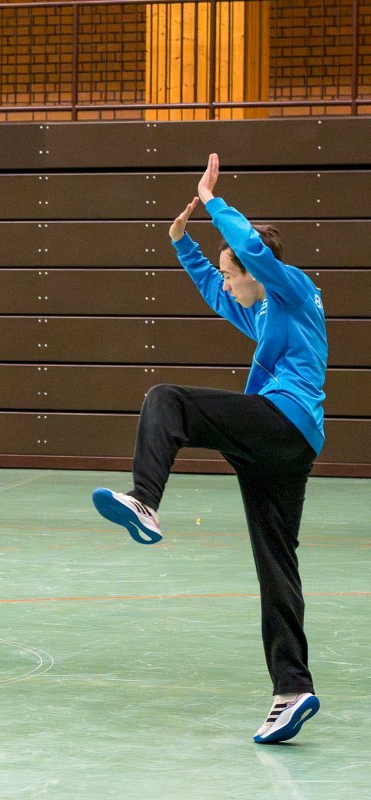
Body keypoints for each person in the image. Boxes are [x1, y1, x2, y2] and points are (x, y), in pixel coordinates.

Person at [92, 153, 326, 745]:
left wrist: (213, 202)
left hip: (282, 421)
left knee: (166, 400)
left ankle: (145, 501)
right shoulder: (266, 310)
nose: (226, 281)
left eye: (231, 272)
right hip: (286, 447)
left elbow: (249, 249)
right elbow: (217, 294)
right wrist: (182, 243)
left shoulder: (293, 290)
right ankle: (292, 690)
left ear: (256, 268)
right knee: (276, 564)